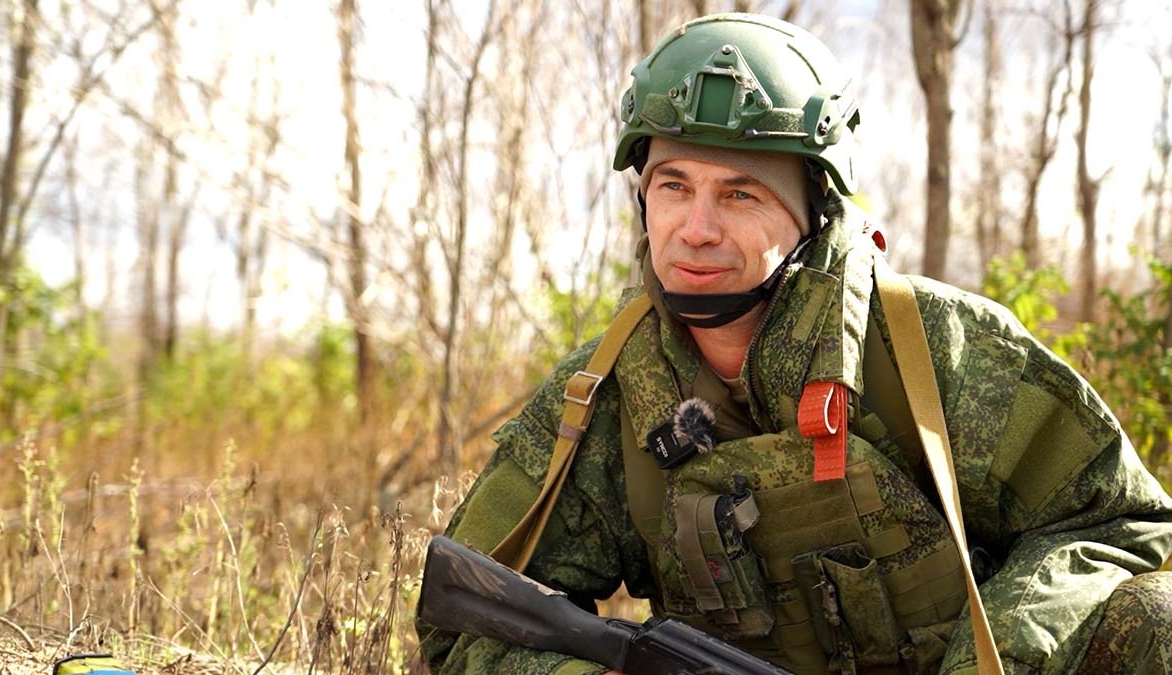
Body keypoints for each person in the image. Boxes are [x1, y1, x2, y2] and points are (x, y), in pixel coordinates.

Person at [417, 13, 1172, 675]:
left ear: (812, 208)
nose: (696, 229)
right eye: (673, 185)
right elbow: (465, 619)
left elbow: (1111, 520)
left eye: (739, 193)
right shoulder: (605, 391)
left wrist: (993, 662)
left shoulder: (926, 347)